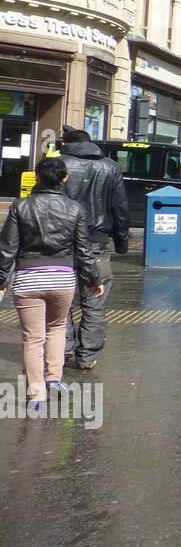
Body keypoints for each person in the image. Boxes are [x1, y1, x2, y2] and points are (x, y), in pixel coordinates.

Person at [0, 157, 104, 411]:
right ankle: (54, 378)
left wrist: (1, 280)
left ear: (36, 177)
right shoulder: (75, 209)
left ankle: (36, 394)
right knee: (57, 328)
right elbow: (83, 250)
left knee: (32, 338)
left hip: (28, 278)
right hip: (62, 278)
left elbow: (7, 249)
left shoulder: (20, 207)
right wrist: (94, 280)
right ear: (64, 178)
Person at [59, 128, 129, 371]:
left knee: (63, 301)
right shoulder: (110, 167)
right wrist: (121, 242)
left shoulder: (58, 164)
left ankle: (64, 348)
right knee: (95, 301)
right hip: (97, 243)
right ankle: (87, 356)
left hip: (63, 243)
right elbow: (120, 208)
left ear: (66, 143)